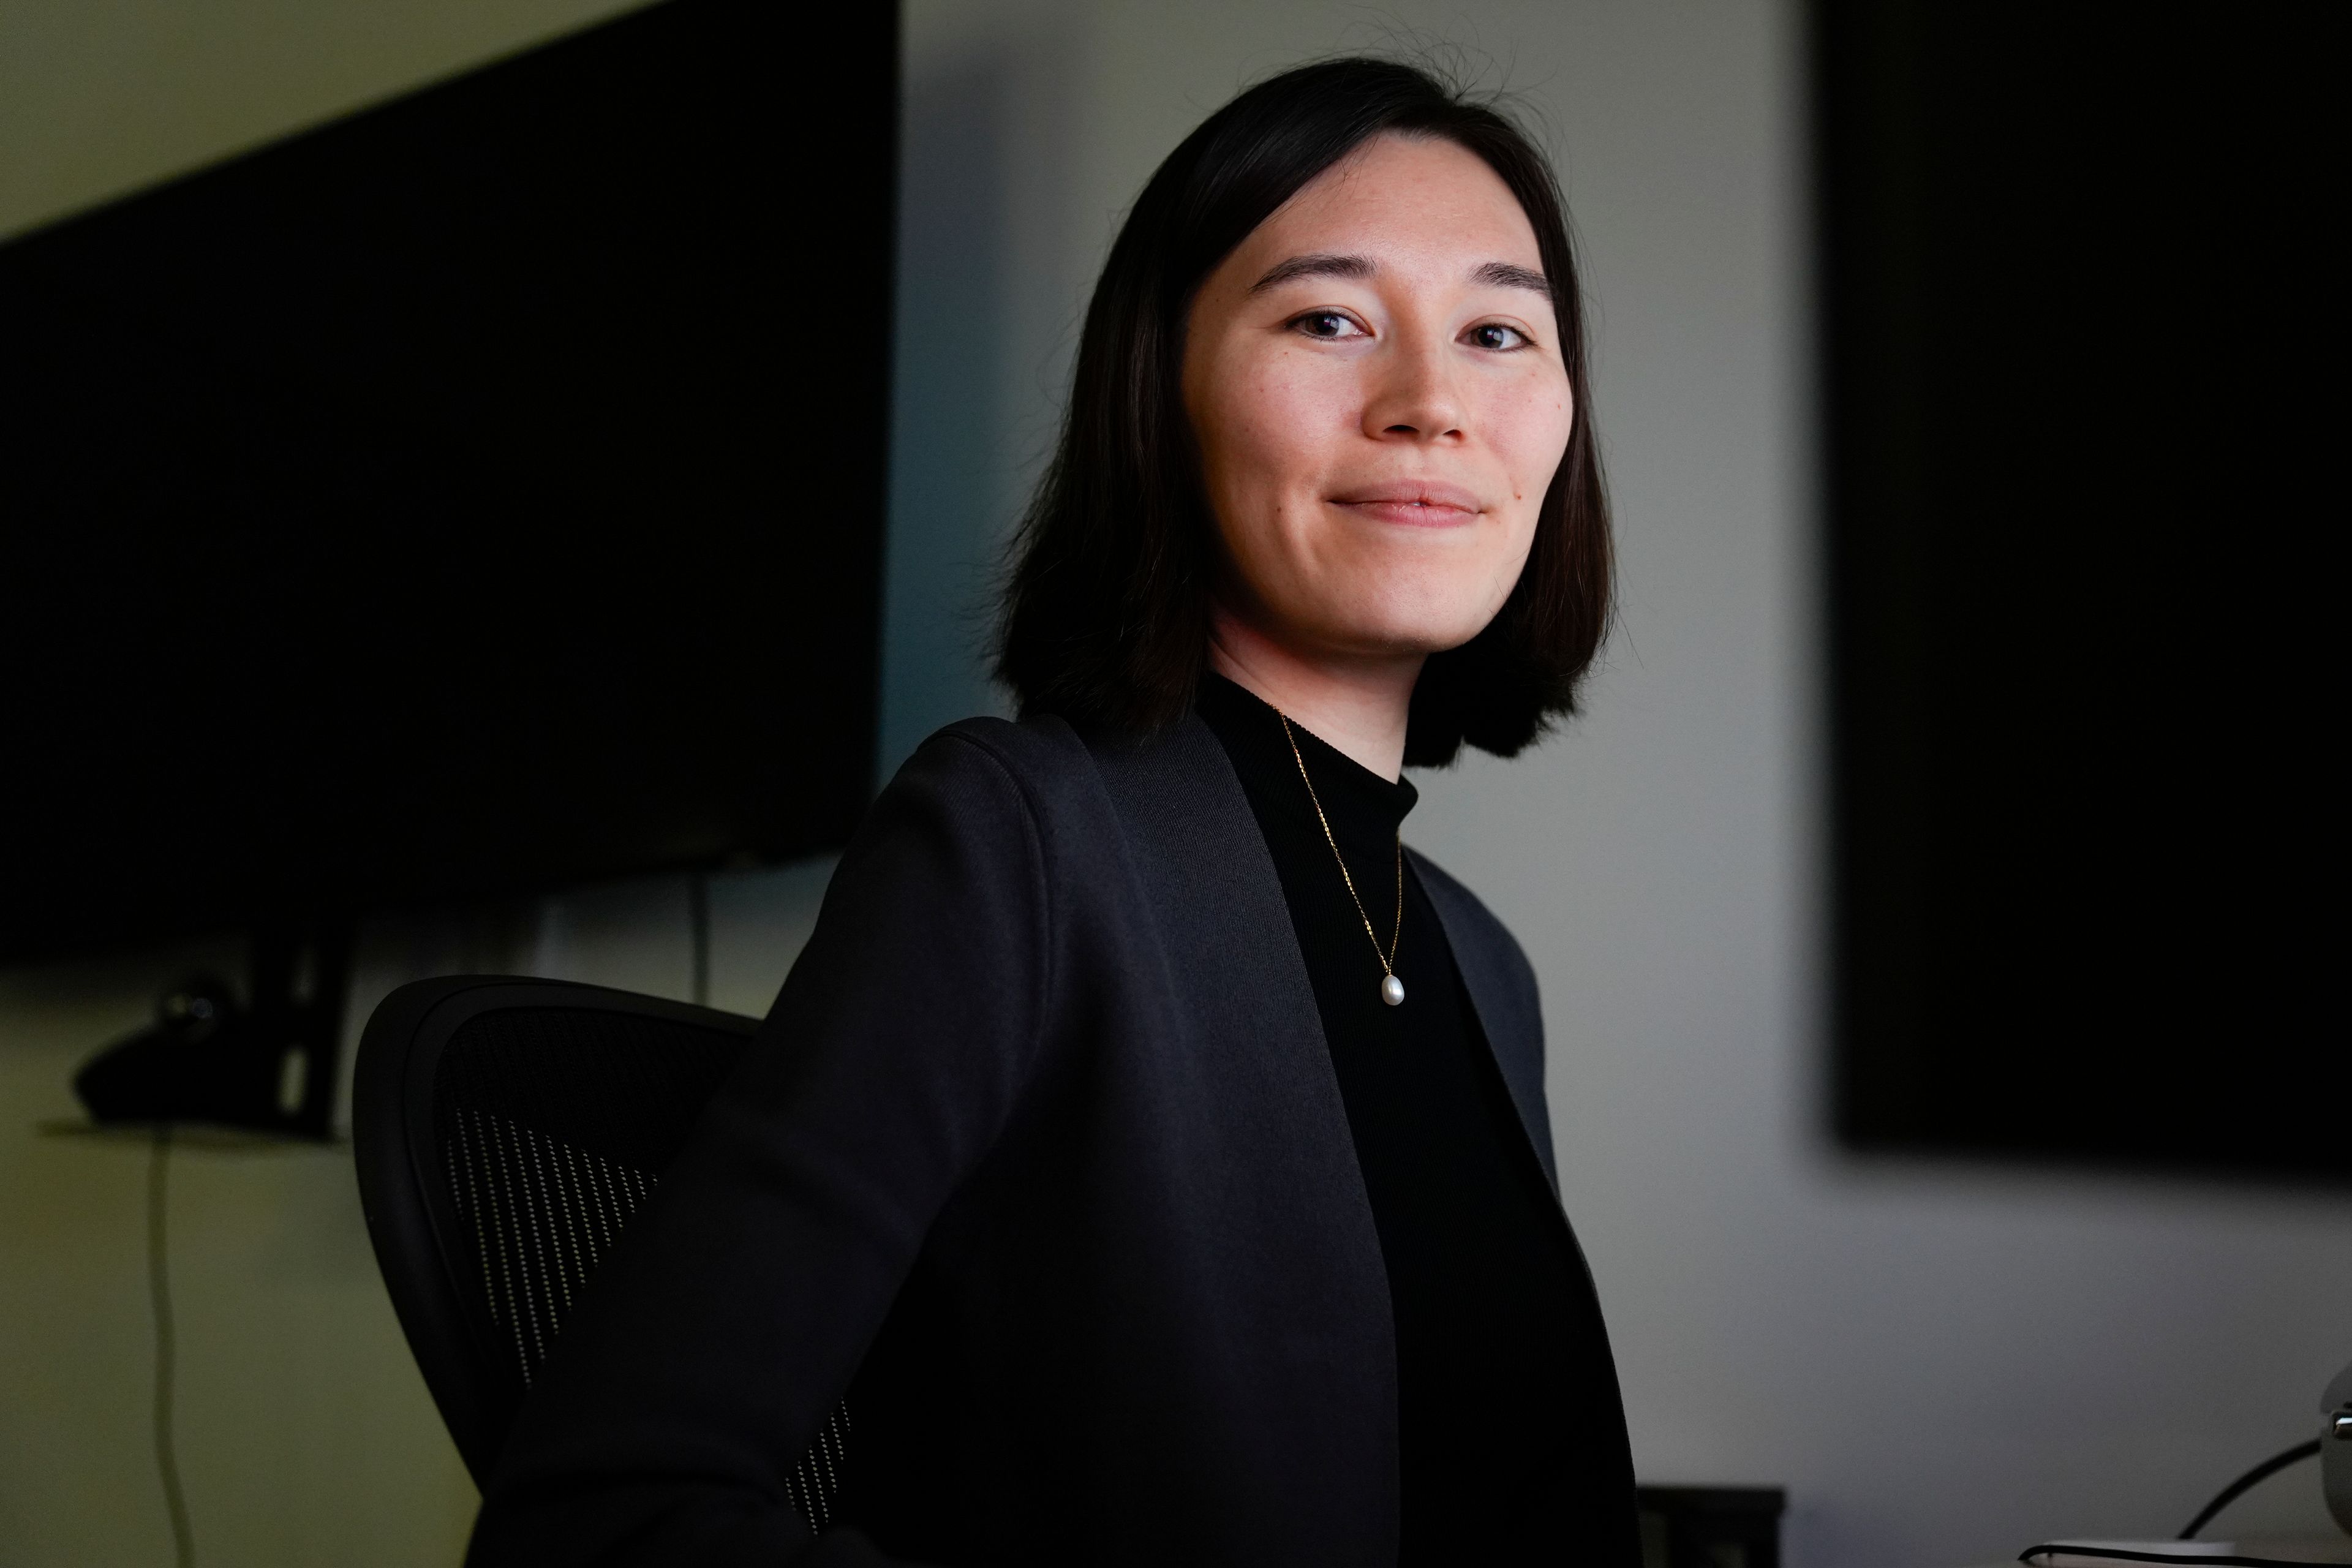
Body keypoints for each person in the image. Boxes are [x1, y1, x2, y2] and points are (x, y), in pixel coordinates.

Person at [469, 57, 1637, 1567]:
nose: (1429, 404)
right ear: (1163, 392)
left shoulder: (1486, 966)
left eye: (1496, 330)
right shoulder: (1015, 842)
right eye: (1329, 318)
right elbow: (596, 1515)